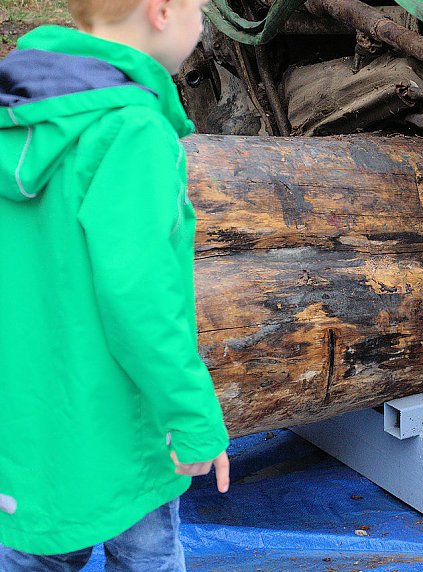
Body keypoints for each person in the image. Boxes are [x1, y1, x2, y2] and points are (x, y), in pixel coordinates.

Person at [0, 0, 230, 569]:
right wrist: (194, 420)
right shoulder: (132, 129)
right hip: (120, 428)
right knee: (146, 551)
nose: (201, 25)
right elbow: (141, 300)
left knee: (37, 552)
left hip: (29, 429)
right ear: (161, 12)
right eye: (199, 9)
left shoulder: (19, 113)